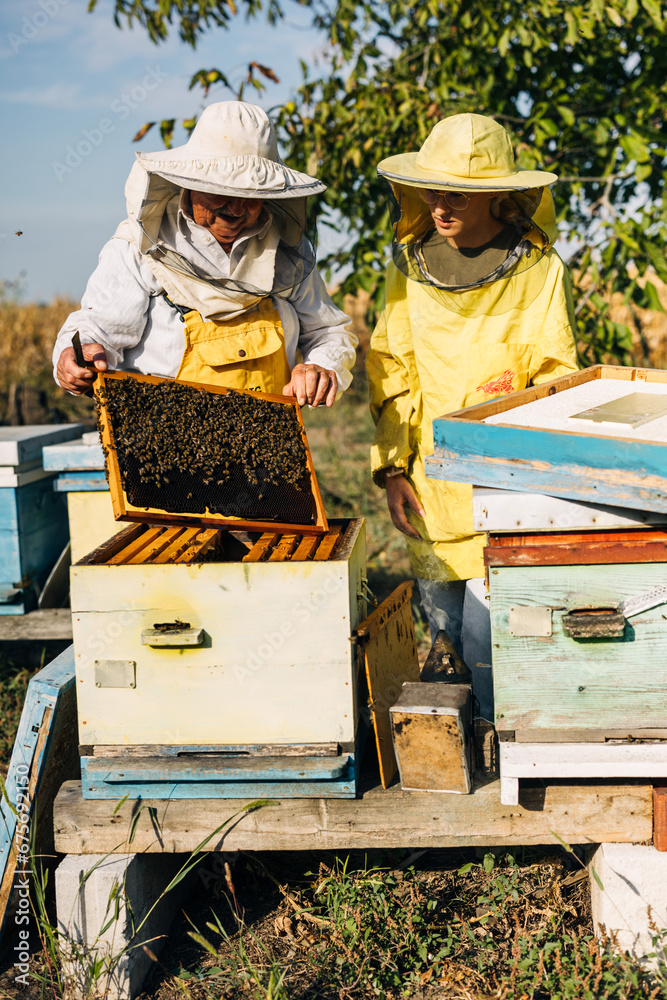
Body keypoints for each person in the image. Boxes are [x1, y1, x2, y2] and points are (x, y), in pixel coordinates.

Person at [366, 113, 579, 718]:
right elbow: (393, 367)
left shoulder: (540, 270)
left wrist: (533, 463)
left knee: (501, 643)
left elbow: (555, 371)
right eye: (433, 189)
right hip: (432, 480)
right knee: (442, 638)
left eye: (456, 192)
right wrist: (393, 470)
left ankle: (504, 743)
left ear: (495, 196)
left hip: (507, 474)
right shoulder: (409, 265)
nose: (439, 204)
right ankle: (448, 751)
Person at [54, 101, 357, 405]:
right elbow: (96, 332)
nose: (236, 209)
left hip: (271, 446)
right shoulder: (139, 247)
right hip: (161, 442)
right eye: (223, 191)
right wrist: (76, 358)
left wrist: (323, 367)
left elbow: (328, 332)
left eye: (251, 196)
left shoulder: (288, 252)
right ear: (191, 183)